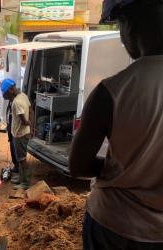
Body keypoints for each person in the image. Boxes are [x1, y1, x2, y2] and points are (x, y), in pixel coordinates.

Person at [69, 0, 163, 248]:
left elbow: (77, 165)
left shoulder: (110, 92)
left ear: (129, 26)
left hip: (114, 227)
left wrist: (120, 168)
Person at [1, 79, 33, 190]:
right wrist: (31, 128)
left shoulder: (16, 102)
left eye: (5, 94)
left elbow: (24, 121)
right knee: (20, 159)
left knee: (22, 159)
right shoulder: (23, 96)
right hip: (20, 133)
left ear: (10, 90)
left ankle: (25, 183)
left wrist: (28, 125)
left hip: (20, 135)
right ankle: (21, 178)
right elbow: (31, 110)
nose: (4, 97)